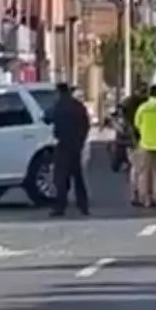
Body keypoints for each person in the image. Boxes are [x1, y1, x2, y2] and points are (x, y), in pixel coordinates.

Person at [45, 82, 91, 217]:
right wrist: (81, 141)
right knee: (78, 178)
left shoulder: (58, 106)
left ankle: (60, 206)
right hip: (76, 146)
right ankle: (83, 206)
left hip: (63, 145)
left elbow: (47, 118)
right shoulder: (78, 106)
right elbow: (86, 124)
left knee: (61, 178)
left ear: (59, 92)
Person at [121, 83, 148, 206]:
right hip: (141, 139)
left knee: (134, 169)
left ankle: (134, 194)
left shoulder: (127, 103)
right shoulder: (144, 104)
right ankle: (141, 196)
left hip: (130, 141)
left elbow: (121, 121)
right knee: (141, 170)